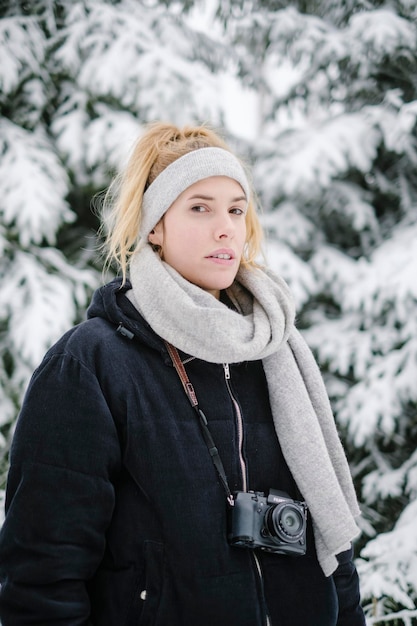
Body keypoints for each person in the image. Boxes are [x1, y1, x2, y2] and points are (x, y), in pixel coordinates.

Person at [0, 122, 366, 626]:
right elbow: (42, 577)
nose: (226, 228)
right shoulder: (91, 364)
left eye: (236, 209)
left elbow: (332, 542)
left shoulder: (276, 352)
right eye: (200, 208)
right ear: (155, 226)